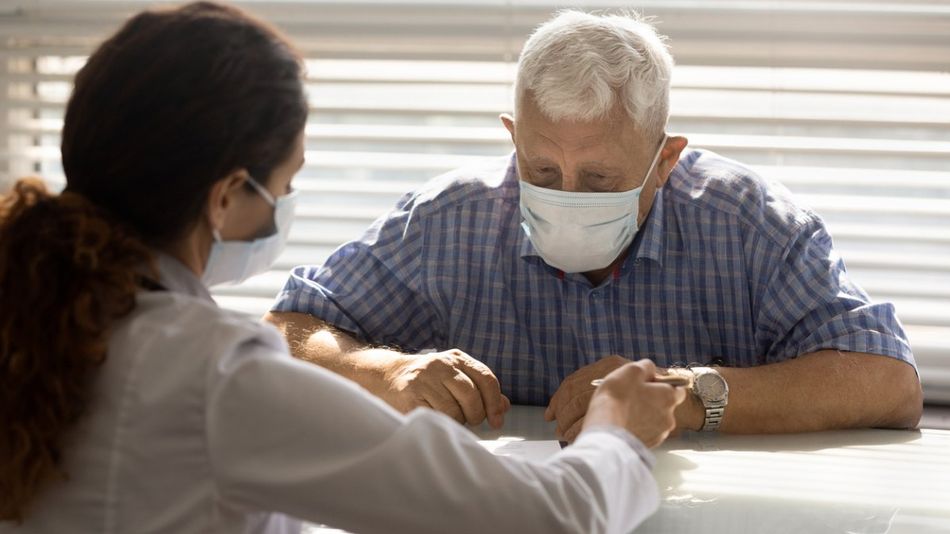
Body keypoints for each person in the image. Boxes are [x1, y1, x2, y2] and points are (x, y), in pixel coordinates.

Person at [0, 3, 686, 533]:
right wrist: (617, 432)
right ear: (226, 196)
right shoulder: (211, 376)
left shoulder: (34, 311)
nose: (288, 204)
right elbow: (547, 518)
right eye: (288, 182)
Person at [267, 10, 922, 442]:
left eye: (600, 180)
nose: (567, 196)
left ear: (666, 160)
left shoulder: (751, 226)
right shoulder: (447, 221)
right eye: (543, 171)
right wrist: (384, 370)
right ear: (511, 138)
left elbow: (888, 381)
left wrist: (688, 395)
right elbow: (288, 329)